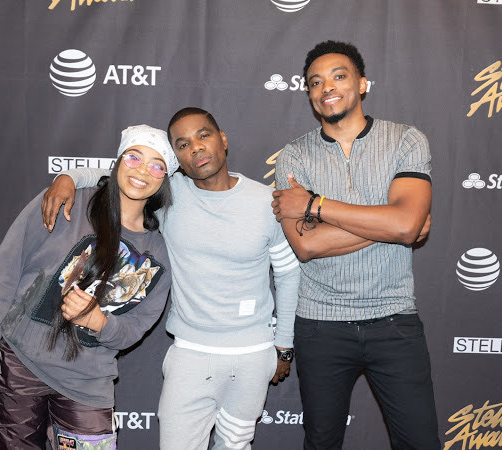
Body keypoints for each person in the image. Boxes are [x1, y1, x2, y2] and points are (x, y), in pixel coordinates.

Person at [41, 107, 300, 450]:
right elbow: (117, 171)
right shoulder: (168, 194)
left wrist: (283, 347)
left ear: (222, 140)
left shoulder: (267, 201)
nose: (195, 147)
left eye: (203, 135)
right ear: (176, 159)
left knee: (236, 444)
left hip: (253, 355)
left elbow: (287, 273)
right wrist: (69, 178)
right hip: (190, 353)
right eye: (182, 144)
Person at [271, 40, 440, 449]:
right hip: (320, 327)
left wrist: (316, 204)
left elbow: (404, 225)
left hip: (394, 319)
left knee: (420, 442)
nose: (326, 87)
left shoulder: (405, 141)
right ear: (310, 95)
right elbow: (307, 246)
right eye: (315, 82)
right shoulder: (293, 157)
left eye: (339, 76)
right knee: (321, 443)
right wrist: (392, 221)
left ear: (362, 84)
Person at [0, 125, 176, 449]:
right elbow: (1, 277)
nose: (141, 171)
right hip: (18, 366)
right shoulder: (66, 201)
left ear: (164, 178)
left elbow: (136, 328)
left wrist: (99, 322)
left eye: (156, 164)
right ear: (119, 160)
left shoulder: (157, 253)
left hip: (88, 384)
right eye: (134, 157)